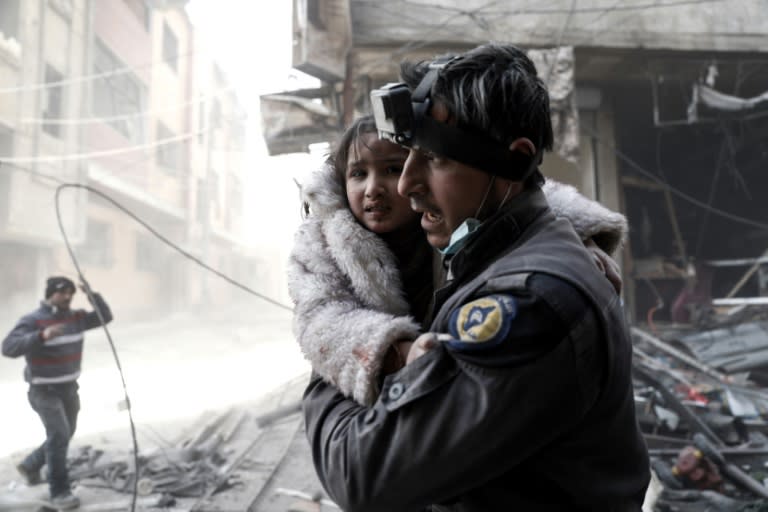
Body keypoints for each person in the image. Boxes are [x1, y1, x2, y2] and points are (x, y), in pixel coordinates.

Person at [299, 43, 650, 511]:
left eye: (435, 159)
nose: (406, 184)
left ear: (513, 161)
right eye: (407, 158)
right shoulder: (497, 253)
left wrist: (329, 359)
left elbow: (362, 471)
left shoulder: (530, 304)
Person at [289, 115, 627, 407]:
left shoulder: (447, 214)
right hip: (379, 399)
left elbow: (528, 198)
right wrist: (399, 353)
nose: (373, 188)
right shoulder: (322, 241)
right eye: (358, 174)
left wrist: (581, 239)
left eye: (392, 169)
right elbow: (320, 318)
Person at [2, 276, 113, 510]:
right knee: (59, 435)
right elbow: (8, 347)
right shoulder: (34, 320)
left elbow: (105, 316)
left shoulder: (76, 318)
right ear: (50, 293)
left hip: (70, 389)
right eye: (62, 292)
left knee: (66, 432)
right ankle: (59, 491)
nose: (68, 296)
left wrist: (91, 293)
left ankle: (31, 466)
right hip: (44, 391)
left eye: (71, 292)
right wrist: (41, 336)